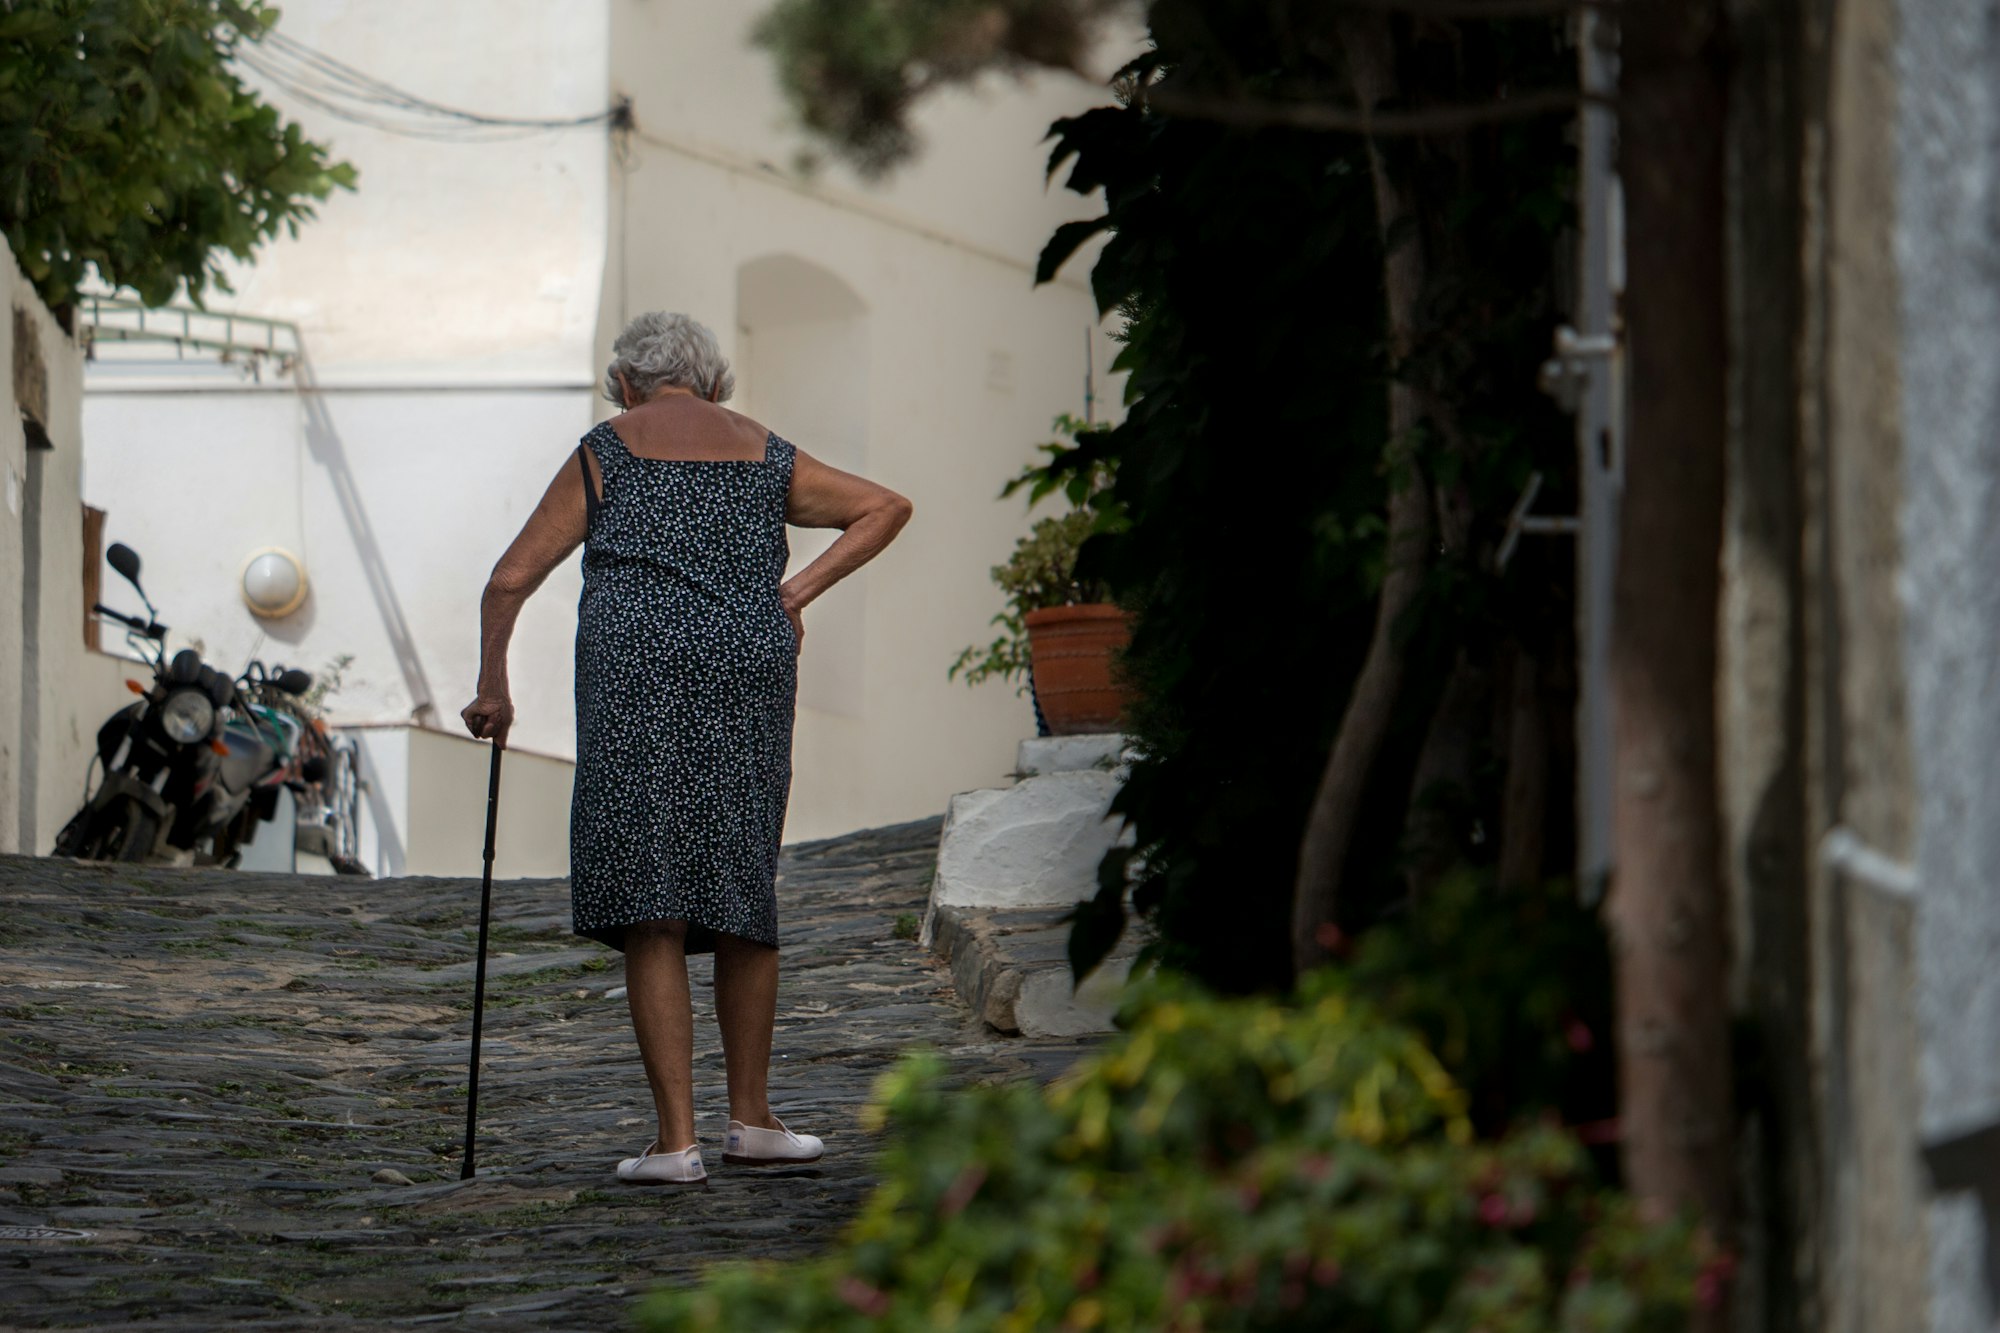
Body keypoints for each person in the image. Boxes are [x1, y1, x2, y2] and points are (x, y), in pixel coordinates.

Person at [460, 311, 914, 1185]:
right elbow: (884, 507)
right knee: (742, 879)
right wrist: (795, 591)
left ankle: (676, 1142)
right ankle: (754, 1119)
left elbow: (510, 578)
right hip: (744, 670)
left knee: (650, 894)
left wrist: (494, 686)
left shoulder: (610, 446)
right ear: (712, 382)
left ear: (627, 383)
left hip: (634, 675)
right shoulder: (763, 448)